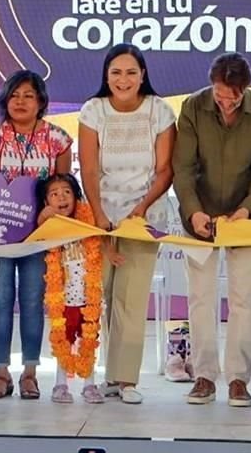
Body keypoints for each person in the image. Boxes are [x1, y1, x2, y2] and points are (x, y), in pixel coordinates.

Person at [173, 53, 251, 408]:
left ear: (245, 90)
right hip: (199, 217)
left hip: (246, 220)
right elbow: (183, 169)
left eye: (233, 95)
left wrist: (247, 210)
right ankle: (203, 376)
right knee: (201, 298)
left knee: (242, 302)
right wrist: (194, 212)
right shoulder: (191, 107)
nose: (225, 101)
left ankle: (238, 380)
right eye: (219, 92)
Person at [78, 44, 176, 405]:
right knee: (100, 297)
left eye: (131, 72)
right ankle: (106, 375)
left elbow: (165, 170)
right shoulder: (93, 111)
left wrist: (141, 209)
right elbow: (88, 169)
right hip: (101, 218)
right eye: (116, 72)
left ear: (143, 75)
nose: (124, 79)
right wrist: (100, 216)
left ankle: (127, 379)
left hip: (144, 219)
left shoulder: (160, 111)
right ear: (106, 76)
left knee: (131, 300)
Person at [0, 70, 72, 401]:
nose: (20, 101)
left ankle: (30, 373)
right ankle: (1, 373)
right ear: (4, 99)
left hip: (40, 237)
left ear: (41, 101)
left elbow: (64, 192)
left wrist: (49, 217)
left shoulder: (57, 139)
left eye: (29, 95)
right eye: (14, 95)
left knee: (32, 302)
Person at [37, 173, 105, 404]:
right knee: (62, 340)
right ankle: (60, 384)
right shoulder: (50, 226)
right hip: (63, 300)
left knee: (89, 340)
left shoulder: (87, 222)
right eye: (54, 194)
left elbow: (102, 242)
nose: (61, 197)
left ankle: (89, 384)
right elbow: (37, 233)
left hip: (88, 298)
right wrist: (45, 216)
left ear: (76, 197)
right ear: (46, 202)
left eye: (67, 192)